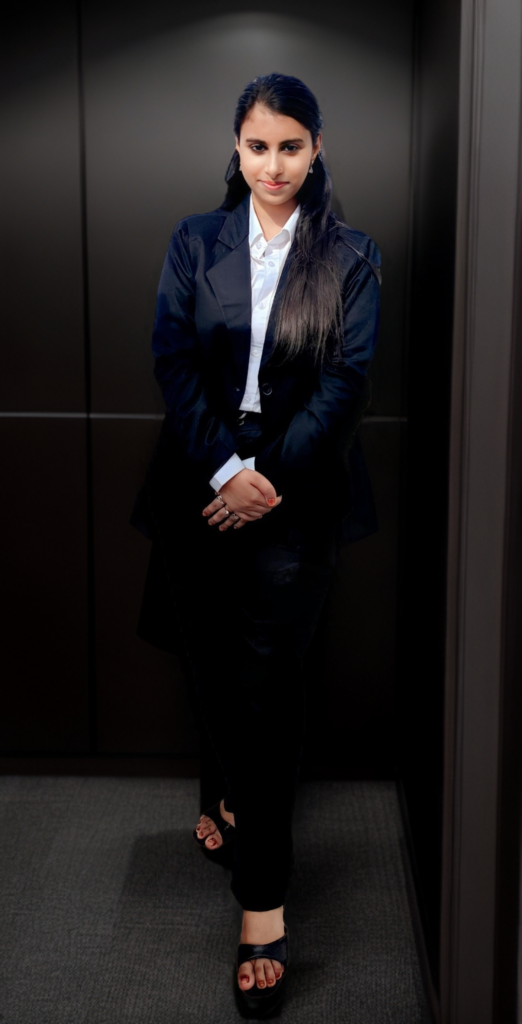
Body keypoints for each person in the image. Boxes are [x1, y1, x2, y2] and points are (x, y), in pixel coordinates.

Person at [130, 72, 381, 1014]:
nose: (272, 164)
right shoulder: (194, 241)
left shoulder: (352, 255)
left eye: (290, 146)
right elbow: (171, 359)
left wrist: (265, 477)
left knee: (268, 691)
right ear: (235, 150)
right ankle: (227, 796)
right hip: (197, 486)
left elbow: (347, 384)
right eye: (256, 146)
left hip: (299, 495)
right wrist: (220, 474)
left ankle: (263, 903)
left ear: (316, 150)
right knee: (209, 663)